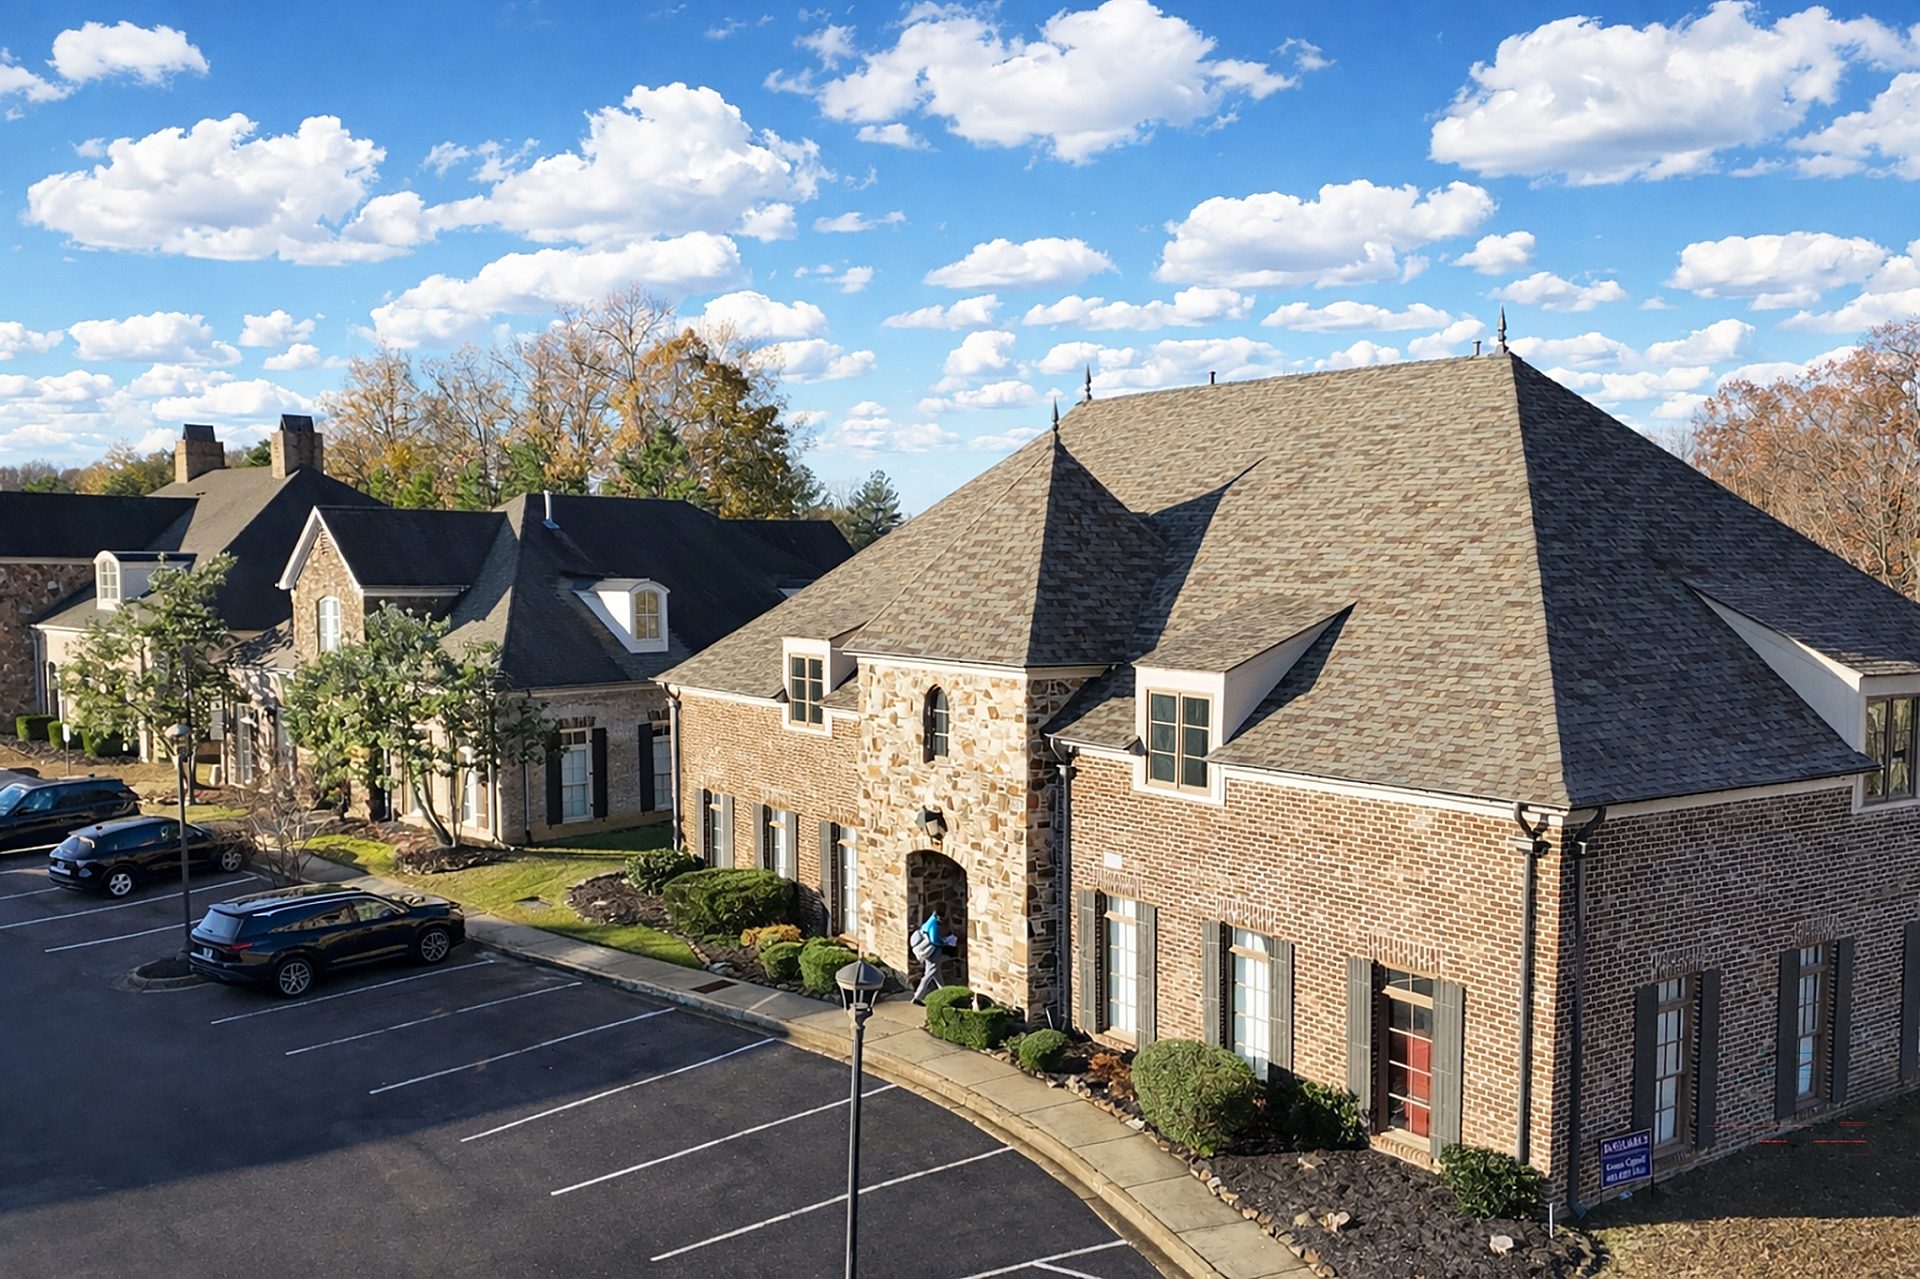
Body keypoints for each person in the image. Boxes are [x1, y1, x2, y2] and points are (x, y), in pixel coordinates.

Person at [910, 911, 957, 1004]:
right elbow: (934, 940)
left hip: (929, 951)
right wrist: (946, 942)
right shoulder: (934, 924)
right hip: (933, 952)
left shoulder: (928, 922)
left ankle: (944, 993)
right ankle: (918, 997)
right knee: (929, 973)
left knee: (936, 972)